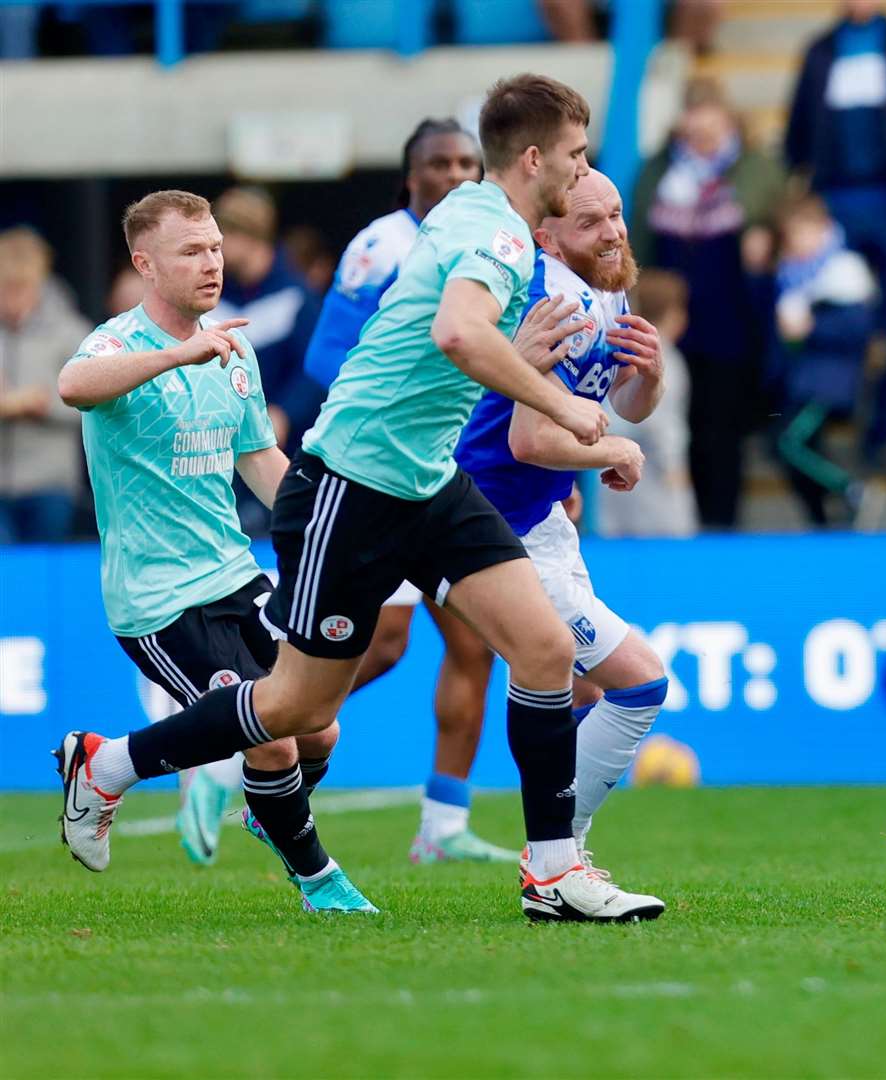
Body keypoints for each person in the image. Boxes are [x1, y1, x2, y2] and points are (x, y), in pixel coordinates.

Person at [54, 74, 664, 925]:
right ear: (536, 157)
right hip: (355, 480)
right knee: (294, 712)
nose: (581, 168)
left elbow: (449, 334)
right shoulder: (496, 231)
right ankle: (109, 765)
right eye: (575, 154)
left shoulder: (473, 210)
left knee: (542, 649)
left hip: (427, 478)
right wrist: (571, 409)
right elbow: (457, 331)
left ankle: (553, 873)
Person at [53, 189, 374, 912]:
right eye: (191, 252)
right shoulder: (117, 345)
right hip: (157, 598)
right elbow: (73, 385)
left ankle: (256, 805)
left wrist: (333, 524)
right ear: (145, 263)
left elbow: (262, 463)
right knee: (272, 740)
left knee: (319, 726)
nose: (212, 263)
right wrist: (174, 355)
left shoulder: (234, 351)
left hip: (233, 573)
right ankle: (321, 882)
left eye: (217, 249)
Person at [303, 117, 514, 865]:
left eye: (467, 160)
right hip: (381, 469)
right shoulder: (384, 244)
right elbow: (329, 354)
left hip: (451, 474)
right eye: (438, 162)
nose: (455, 173)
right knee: (385, 643)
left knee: (475, 641)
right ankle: (254, 738)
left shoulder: (487, 239)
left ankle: (444, 825)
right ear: (409, 176)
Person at [454, 167, 674, 882]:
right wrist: (612, 449)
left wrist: (651, 377)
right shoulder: (553, 296)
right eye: (592, 222)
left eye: (616, 213)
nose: (612, 231)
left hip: (540, 518)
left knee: (575, 689)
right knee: (638, 684)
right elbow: (528, 439)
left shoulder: (605, 285)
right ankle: (555, 854)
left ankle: (555, 853)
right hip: (495, 526)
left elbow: (623, 402)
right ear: (547, 236)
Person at [784, 0, 886, 467]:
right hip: (833, 209)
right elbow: (796, 137)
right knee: (835, 320)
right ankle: (830, 427)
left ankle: (882, 436)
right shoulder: (819, 51)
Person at [631, 78, 783, 528]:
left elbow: (779, 221)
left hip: (731, 325)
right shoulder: (660, 171)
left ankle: (720, 526)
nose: (701, 135)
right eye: (693, 125)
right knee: (674, 427)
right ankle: (680, 526)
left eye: (710, 124)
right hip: (671, 322)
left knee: (723, 433)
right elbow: (637, 235)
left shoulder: (755, 167)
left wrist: (763, 239)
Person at [771, 195, 877, 526]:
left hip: (827, 382)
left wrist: (810, 328)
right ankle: (823, 519)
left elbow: (856, 329)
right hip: (804, 381)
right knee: (794, 448)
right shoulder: (792, 276)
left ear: (823, 230)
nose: (796, 243)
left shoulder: (843, 272)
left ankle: (850, 490)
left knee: (790, 442)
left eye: (802, 233)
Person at [212, 186, 325, 453]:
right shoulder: (213, 296)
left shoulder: (297, 297)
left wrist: (285, 413)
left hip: (284, 445)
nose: (214, 249)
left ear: (249, 236)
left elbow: (313, 369)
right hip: (223, 442)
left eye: (220, 238)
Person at [595, 270, 700, 538]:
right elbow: (664, 422)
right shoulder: (664, 358)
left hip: (609, 469)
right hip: (651, 475)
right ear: (674, 314)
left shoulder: (620, 349)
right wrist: (674, 468)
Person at [0, 227, 89, 543]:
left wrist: (41, 403)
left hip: (51, 483)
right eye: (6, 287)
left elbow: (94, 404)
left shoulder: (71, 332)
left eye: (22, 287)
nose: (13, 298)